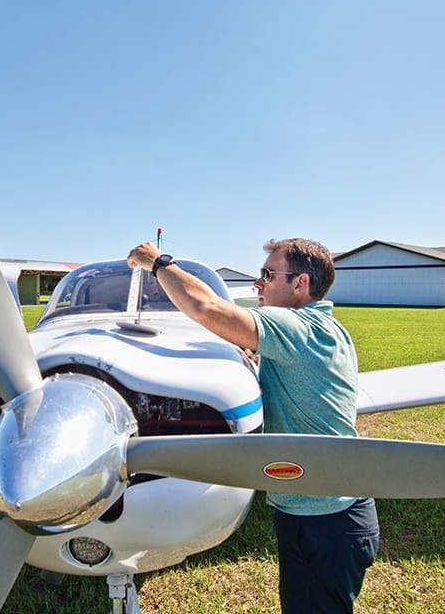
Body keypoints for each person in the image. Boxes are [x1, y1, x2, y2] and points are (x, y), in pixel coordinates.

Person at [127, 238, 379, 614]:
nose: (257, 285)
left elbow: (205, 306)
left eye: (267, 274)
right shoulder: (319, 327)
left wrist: (158, 262)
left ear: (300, 284)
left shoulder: (298, 327)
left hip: (326, 521)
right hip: (316, 511)